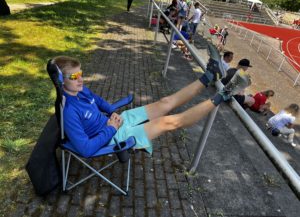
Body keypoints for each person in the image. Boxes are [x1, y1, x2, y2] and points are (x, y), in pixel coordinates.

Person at [52, 54, 248, 158]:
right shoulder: (69, 111)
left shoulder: (82, 90)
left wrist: (112, 114)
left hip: (117, 122)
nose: (81, 79)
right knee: (168, 123)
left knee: (165, 102)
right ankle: (224, 94)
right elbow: (85, 149)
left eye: (81, 73)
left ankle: (208, 76)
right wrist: (111, 128)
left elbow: (100, 102)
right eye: (74, 76)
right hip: (112, 137)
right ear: (61, 81)